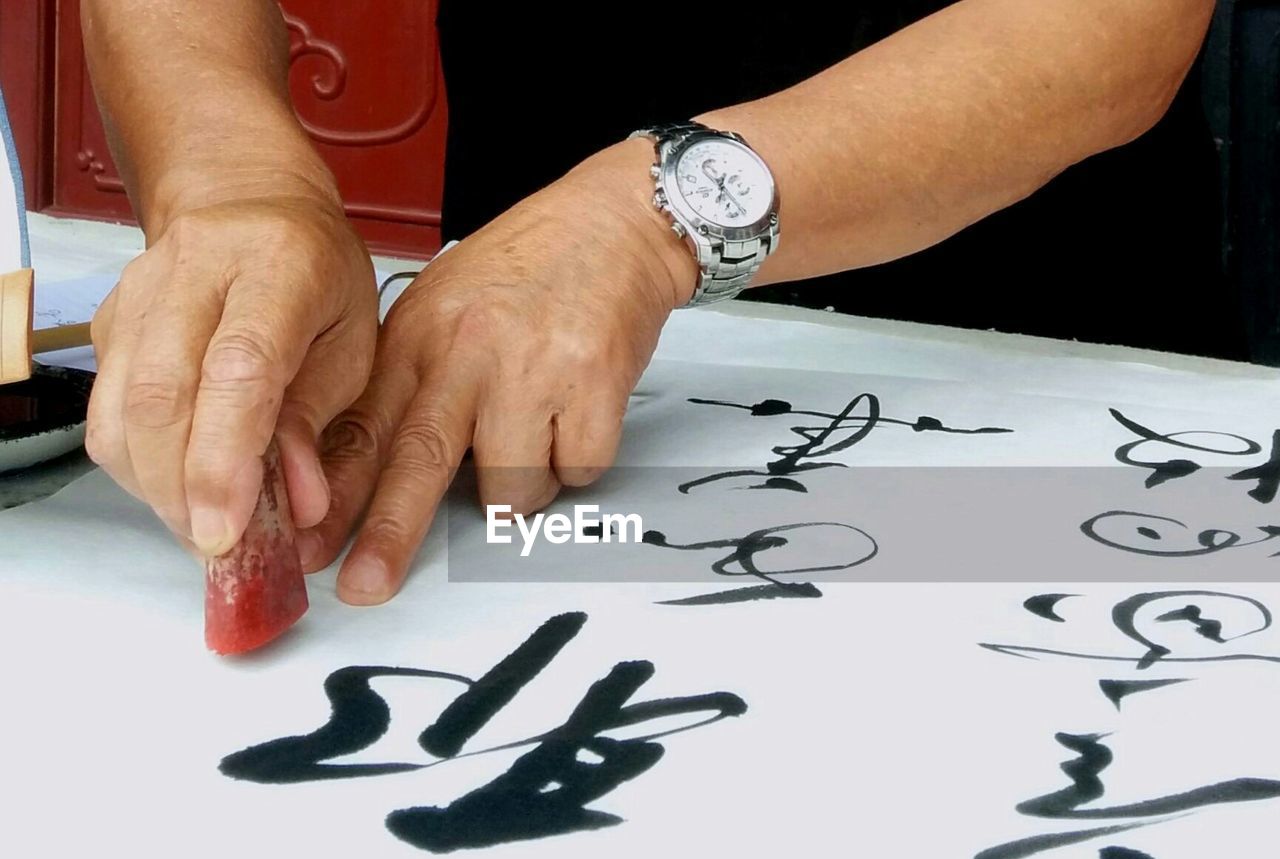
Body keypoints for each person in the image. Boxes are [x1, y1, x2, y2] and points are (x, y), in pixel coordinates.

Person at [80, 0, 1219, 606]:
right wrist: (233, 181)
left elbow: (1116, 20)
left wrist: (638, 220)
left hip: (1009, 361)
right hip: (525, 358)